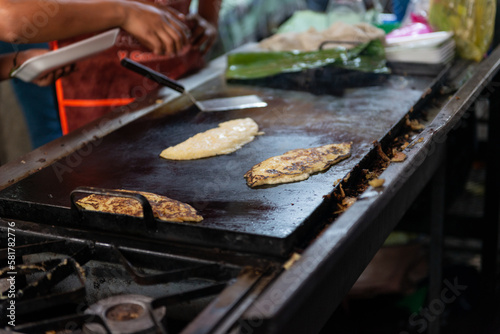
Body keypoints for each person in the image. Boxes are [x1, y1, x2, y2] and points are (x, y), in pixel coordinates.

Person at [0, 0, 203, 146]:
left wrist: (13, 63)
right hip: (85, 91)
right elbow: (10, 18)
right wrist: (125, 12)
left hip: (177, 71)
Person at [52, 0, 221, 135]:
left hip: (182, 74)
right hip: (100, 92)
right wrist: (125, 12)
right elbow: (26, 13)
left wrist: (209, 17)